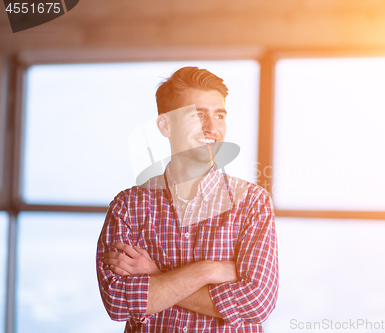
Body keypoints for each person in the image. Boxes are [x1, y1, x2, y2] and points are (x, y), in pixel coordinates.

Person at [96, 66, 279, 332]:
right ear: (165, 125)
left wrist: (157, 277)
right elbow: (119, 301)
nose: (212, 128)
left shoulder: (251, 202)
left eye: (219, 115)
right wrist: (209, 271)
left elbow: (257, 303)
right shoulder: (128, 207)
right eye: (197, 115)